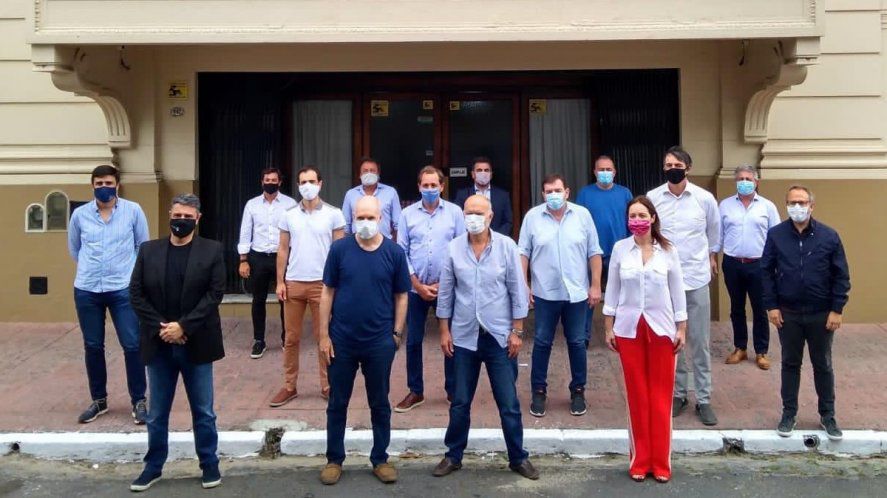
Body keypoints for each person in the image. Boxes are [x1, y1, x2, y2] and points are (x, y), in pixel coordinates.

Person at [433, 194, 539, 481]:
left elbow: (517, 289)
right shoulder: (454, 248)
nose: (473, 218)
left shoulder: (506, 246)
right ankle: (453, 455)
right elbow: (446, 292)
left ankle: (518, 457)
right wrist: (444, 330)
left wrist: (517, 331)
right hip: (464, 336)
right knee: (460, 401)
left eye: (479, 213)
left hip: (499, 336)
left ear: (490, 216)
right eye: (469, 212)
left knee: (508, 403)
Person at [128, 194, 226, 492]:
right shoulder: (149, 251)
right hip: (159, 344)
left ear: (198, 219)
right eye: (177, 215)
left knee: (204, 412)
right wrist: (164, 328)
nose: (181, 221)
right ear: (169, 215)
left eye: (187, 217)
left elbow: (214, 294)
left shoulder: (212, 250)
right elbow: (136, 294)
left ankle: (209, 464)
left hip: (197, 343)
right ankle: (153, 466)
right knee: (157, 413)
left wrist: (183, 326)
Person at [318, 196, 410, 485]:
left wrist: (396, 334)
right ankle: (334, 459)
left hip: (379, 342)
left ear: (381, 218)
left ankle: (380, 458)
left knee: (379, 402)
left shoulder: (394, 253)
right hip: (341, 341)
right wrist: (323, 336)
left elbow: (402, 296)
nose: (366, 222)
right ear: (353, 219)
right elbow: (327, 292)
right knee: (337, 402)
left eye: (371, 217)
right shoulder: (339, 250)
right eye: (361, 217)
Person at [604, 196, 686, 483]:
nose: (637, 220)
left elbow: (677, 290)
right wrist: (608, 326)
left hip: (662, 328)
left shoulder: (668, 250)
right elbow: (612, 289)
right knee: (637, 395)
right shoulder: (620, 249)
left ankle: (661, 462)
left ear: (652, 218)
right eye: (632, 216)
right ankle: (640, 460)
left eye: (642, 215)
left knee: (661, 395)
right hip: (629, 328)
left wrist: (681, 328)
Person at [761, 185, 850, 442]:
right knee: (790, 364)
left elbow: (841, 276)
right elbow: (766, 272)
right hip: (787, 314)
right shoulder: (776, 235)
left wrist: (837, 309)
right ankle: (789, 414)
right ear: (786, 205)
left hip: (821, 314)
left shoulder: (829, 236)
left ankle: (828, 415)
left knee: (823, 364)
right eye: (792, 203)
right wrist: (771, 306)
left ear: (812, 206)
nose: (797, 207)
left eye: (802, 202)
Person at [68, 164, 149, 424]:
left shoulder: (133, 211)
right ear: (92, 185)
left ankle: (139, 401)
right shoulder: (80, 215)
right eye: (99, 184)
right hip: (87, 289)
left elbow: (142, 246)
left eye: (108, 183)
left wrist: (132, 278)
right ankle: (99, 400)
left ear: (117, 185)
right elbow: (75, 249)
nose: (104, 188)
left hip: (122, 288)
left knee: (132, 344)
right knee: (93, 346)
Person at [647, 146, 721, 426]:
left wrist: (711, 257)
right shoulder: (654, 198)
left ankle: (704, 398)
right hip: (665, 282)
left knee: (699, 342)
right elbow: (650, 234)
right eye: (668, 165)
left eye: (677, 165)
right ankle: (678, 394)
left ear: (688, 168)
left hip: (696, 278)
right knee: (670, 341)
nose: (672, 169)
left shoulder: (704, 199)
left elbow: (714, 233)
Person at [518, 173, 603, 418]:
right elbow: (523, 253)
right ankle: (538, 391)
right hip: (545, 293)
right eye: (548, 191)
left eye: (557, 191)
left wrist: (595, 285)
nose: (553, 195)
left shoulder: (582, 215)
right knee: (542, 342)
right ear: (543, 194)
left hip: (576, 293)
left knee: (577, 342)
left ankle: (578, 391)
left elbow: (594, 252)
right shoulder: (532, 217)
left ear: (567, 192)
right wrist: (524, 285)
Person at [270, 167, 345, 407]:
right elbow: (283, 249)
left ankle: (327, 385)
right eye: (303, 182)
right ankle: (289, 386)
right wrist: (280, 281)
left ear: (320, 183)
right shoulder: (288, 214)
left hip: (323, 285)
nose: (307, 186)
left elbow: (339, 252)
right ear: (297, 185)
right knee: (291, 338)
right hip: (294, 282)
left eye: (312, 181)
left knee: (324, 336)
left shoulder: (334, 214)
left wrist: (338, 283)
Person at [394, 166, 466, 413]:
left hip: (446, 287)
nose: (430, 189)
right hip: (416, 289)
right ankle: (416, 390)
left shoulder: (455, 213)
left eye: (434, 185)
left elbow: (461, 248)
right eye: (425, 185)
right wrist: (416, 284)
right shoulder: (406, 215)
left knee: (450, 339)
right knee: (413, 340)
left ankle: (453, 389)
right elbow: (401, 251)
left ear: (442, 186)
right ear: (419, 187)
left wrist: (443, 283)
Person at [719, 165, 781, 370]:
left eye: (748, 178)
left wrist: (775, 263)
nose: (744, 182)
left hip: (759, 265)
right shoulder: (725, 205)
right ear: (735, 182)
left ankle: (761, 351)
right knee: (736, 307)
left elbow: (776, 237)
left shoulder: (767, 207)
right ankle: (740, 348)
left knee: (759, 309)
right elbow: (718, 234)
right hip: (733, 263)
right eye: (740, 179)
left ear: (756, 182)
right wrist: (712, 256)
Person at [237, 167, 297, 359]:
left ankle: (286, 338)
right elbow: (245, 231)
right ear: (261, 182)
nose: (270, 183)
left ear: (280, 182)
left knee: (285, 299)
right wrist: (243, 260)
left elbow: (296, 231)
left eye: (274, 180)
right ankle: (259, 340)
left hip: (283, 256)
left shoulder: (290, 204)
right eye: (267, 180)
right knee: (258, 299)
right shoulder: (252, 205)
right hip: (259, 257)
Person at [576, 155, 633, 347]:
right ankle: (583, 336)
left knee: (621, 296)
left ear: (615, 172)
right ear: (594, 172)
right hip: (592, 254)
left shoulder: (625, 193)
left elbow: (631, 222)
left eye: (609, 169)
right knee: (589, 296)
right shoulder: (585, 194)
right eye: (601, 169)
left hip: (619, 253)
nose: (605, 173)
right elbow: (578, 224)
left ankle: (620, 334)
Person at [341, 156, 402, 239]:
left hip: (384, 243)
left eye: (372, 170)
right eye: (365, 171)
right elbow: (345, 226)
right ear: (360, 174)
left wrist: (392, 244)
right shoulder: (350, 194)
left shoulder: (391, 192)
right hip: (356, 243)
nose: (369, 173)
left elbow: (398, 225)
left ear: (378, 174)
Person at [452, 156, 514, 235]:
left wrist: (495, 237)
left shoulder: (503, 196)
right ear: (473, 174)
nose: (483, 173)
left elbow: (508, 222)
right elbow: (458, 220)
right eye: (479, 170)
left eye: (486, 170)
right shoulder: (462, 195)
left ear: (491, 174)